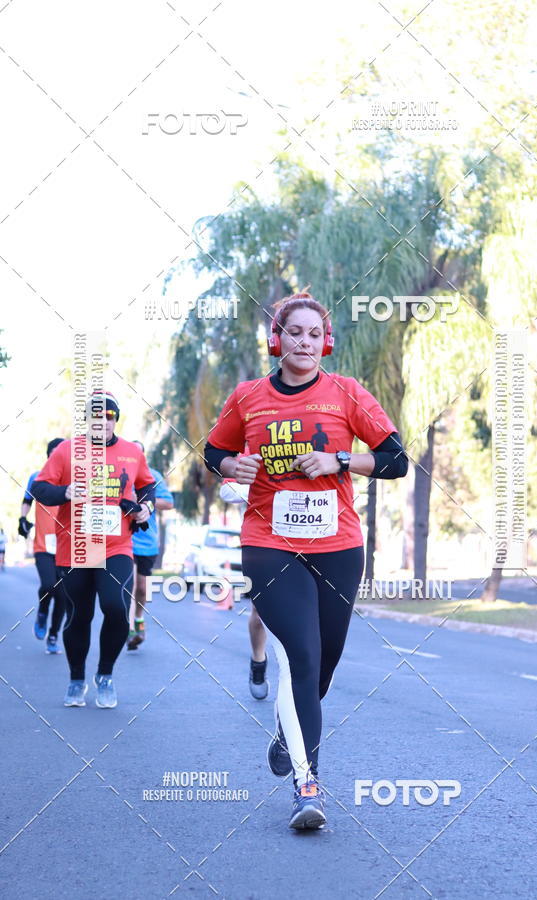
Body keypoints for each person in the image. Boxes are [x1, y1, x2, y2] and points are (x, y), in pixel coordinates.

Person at [204, 291, 408, 829]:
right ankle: (307, 783)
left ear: (327, 342)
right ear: (277, 339)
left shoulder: (346, 393)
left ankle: (288, 728)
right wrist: (233, 466)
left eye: (314, 335)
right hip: (269, 540)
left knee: (325, 662)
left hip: (338, 544)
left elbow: (395, 459)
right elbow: (212, 451)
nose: (304, 343)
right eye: (294, 333)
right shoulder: (248, 397)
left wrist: (339, 458)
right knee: (301, 653)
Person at [30, 392, 156, 708]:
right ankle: (76, 680)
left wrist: (146, 508)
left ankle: (105, 675)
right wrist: (66, 491)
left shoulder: (131, 452)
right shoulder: (66, 450)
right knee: (80, 614)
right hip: (75, 548)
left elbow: (147, 486)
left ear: (115, 419)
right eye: (96, 416)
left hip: (117, 545)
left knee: (115, 607)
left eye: (109, 417)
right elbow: (39, 488)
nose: (103, 422)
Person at [218, 478, 269, 699]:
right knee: (259, 613)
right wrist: (268, 485)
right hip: (261, 544)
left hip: (304, 543)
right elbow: (227, 491)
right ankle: (258, 660)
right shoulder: (249, 448)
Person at [126, 441, 174, 650]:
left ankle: (138, 619)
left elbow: (169, 503)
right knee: (130, 586)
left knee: (142, 588)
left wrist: (145, 499)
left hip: (146, 539)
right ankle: (129, 630)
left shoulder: (153, 476)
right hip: (123, 540)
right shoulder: (121, 472)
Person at [20, 438, 67, 653]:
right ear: (49, 455)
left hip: (67, 546)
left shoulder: (73, 480)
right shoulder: (37, 478)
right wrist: (22, 519)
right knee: (49, 585)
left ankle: (54, 635)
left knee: (64, 596)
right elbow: (27, 501)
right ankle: (42, 612)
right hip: (43, 545)